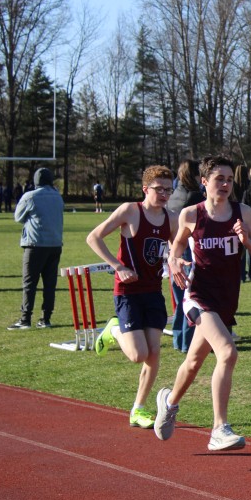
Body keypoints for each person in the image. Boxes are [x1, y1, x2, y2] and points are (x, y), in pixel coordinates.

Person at [154, 155, 251, 452]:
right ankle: (219, 428)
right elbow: (176, 246)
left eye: (229, 179)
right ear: (204, 182)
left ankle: (169, 401)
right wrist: (174, 261)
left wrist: (246, 240)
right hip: (198, 297)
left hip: (226, 299)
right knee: (227, 353)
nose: (226, 184)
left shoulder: (243, 212)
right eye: (219, 179)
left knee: (193, 362)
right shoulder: (192, 214)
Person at [87, 165, 178, 429]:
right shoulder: (130, 211)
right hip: (128, 292)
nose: (164, 194)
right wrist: (118, 266)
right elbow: (93, 237)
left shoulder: (172, 218)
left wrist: (177, 261)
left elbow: (175, 248)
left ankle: (138, 409)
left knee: (153, 353)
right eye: (159, 189)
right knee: (138, 354)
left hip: (153, 291)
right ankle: (114, 329)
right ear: (145, 189)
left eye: (168, 190)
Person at [9, 167, 64, 330]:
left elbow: (18, 217)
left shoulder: (30, 196)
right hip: (55, 244)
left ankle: (25, 319)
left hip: (35, 244)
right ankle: (46, 319)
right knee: (50, 284)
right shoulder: (58, 197)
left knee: (29, 283)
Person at [166, 158, 204, 352]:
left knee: (179, 296)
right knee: (191, 298)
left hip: (172, 250)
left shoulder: (174, 195)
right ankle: (188, 342)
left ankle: (179, 339)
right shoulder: (194, 196)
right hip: (188, 249)